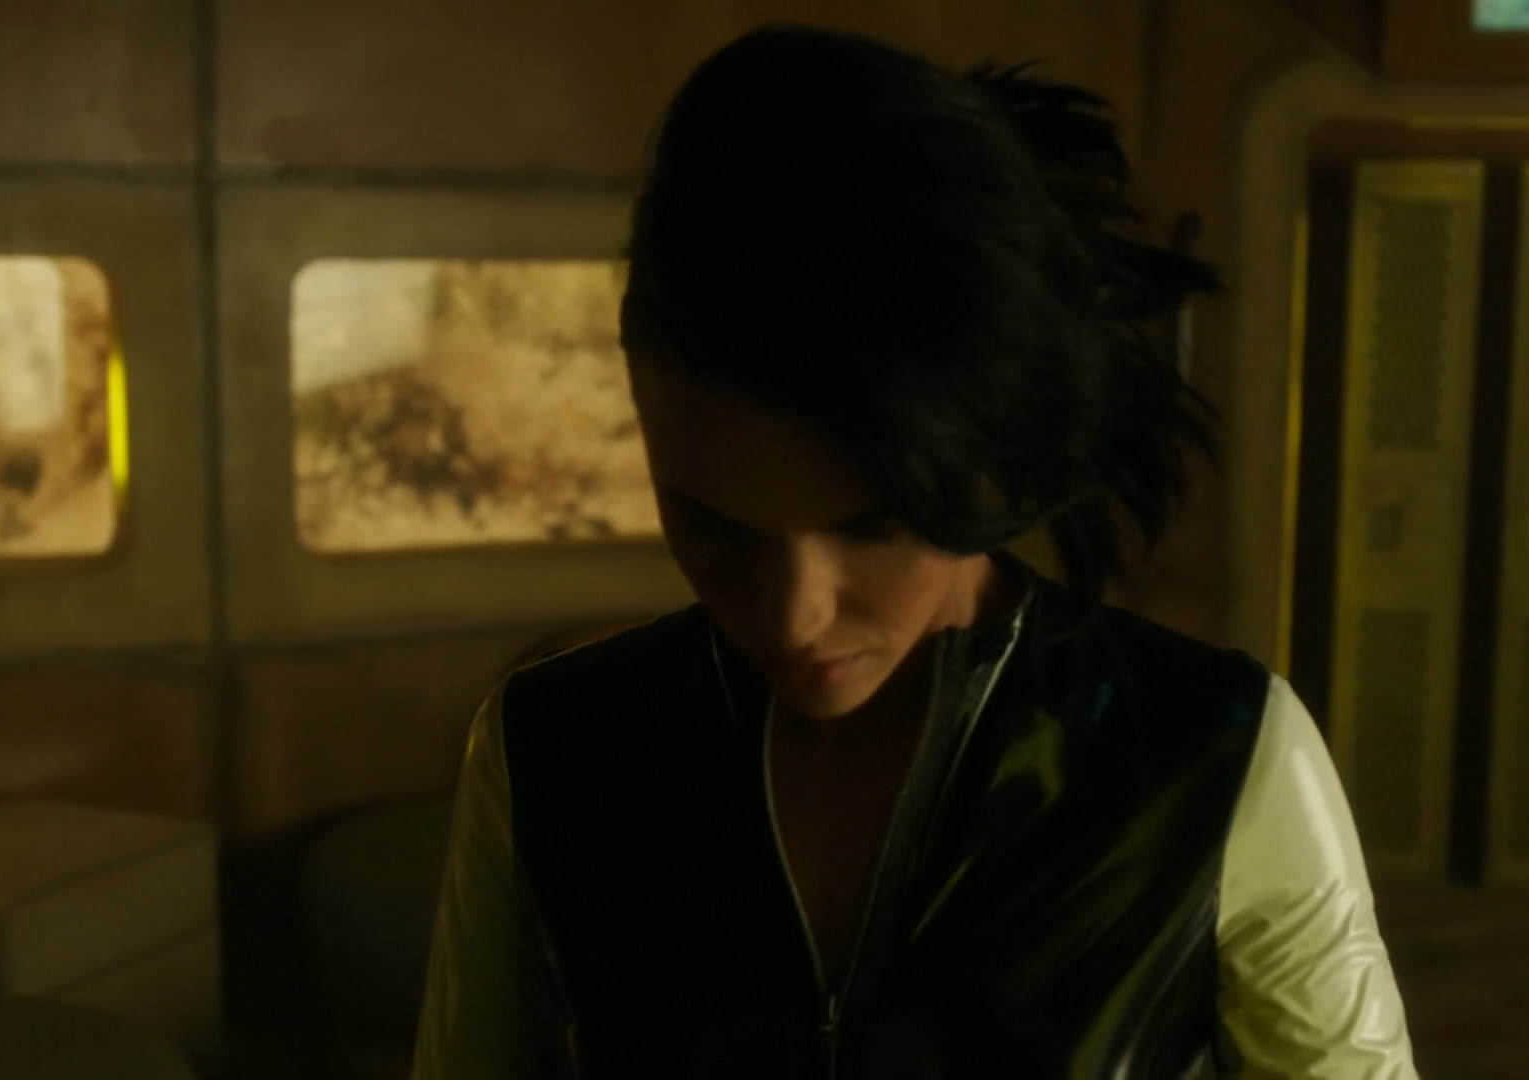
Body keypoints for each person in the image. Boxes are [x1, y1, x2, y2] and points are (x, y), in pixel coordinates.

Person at [411, 24, 1416, 1079]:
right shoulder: (551, 752)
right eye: (713, 526)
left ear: (984, 454)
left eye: (870, 525)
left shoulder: (1213, 757)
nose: (795, 614)